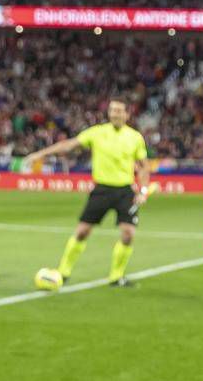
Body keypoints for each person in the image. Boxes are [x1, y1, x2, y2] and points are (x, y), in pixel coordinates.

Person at [23, 98, 150, 287]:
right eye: (112, 110)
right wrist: (40, 155)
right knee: (82, 231)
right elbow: (68, 145)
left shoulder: (135, 137)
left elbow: (144, 166)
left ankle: (116, 276)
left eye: (119, 111)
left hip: (125, 190)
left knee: (128, 234)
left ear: (127, 114)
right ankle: (63, 272)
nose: (115, 114)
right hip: (101, 189)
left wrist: (144, 190)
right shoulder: (97, 133)